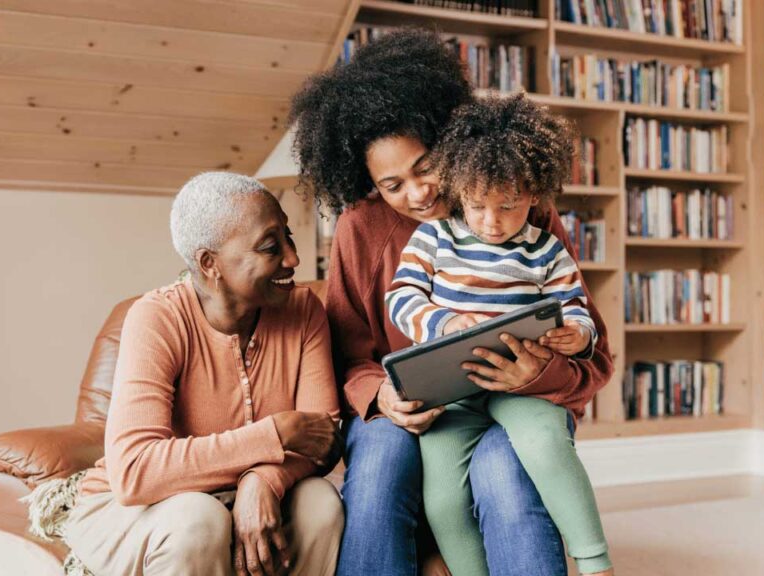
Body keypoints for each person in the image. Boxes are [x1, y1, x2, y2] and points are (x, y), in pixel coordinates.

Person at [290, 29, 614, 576]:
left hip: (517, 399)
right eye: (392, 185)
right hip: (413, 406)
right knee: (380, 464)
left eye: (424, 167)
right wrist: (382, 397)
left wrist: (538, 374)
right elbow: (349, 357)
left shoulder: (510, 203)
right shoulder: (358, 228)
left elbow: (594, 355)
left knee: (503, 472)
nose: (416, 194)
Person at [62, 172, 344, 576]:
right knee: (197, 519)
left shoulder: (304, 311)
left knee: (319, 503)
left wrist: (262, 481)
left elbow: (322, 437)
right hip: (139, 510)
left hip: (241, 496)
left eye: (289, 237)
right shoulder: (156, 318)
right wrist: (275, 434)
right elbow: (135, 472)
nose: (292, 259)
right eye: (270, 246)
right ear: (209, 263)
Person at [385, 95, 612, 576]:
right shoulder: (433, 237)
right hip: (454, 394)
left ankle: (595, 563)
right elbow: (401, 298)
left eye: (508, 206)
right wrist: (443, 323)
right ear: (458, 190)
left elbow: (574, 305)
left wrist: (578, 333)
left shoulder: (546, 248)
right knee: (443, 499)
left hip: (521, 384)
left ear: (534, 194)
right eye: (476, 205)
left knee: (546, 447)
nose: (491, 221)